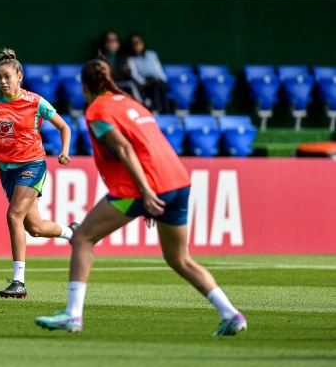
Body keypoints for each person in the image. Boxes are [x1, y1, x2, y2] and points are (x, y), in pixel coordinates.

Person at [34, 59, 247, 336]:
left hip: (144, 186)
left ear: (85, 87)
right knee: (179, 257)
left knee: (83, 237)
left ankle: (73, 315)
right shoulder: (132, 103)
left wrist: (146, 191)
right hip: (178, 181)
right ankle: (230, 314)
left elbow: (123, 149)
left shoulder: (97, 110)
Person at [0, 49, 78, 299]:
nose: (3, 81)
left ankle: (19, 281)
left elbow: (64, 127)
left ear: (20, 76)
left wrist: (64, 151)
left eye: (8, 76)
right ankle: (72, 232)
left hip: (33, 163)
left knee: (13, 215)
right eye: (0, 77)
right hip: (6, 168)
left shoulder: (35, 101)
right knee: (35, 227)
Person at [126, 33, 170, 113]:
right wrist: (145, 82)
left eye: (138, 42)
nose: (136, 46)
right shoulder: (131, 59)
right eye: (133, 44)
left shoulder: (152, 54)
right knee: (156, 85)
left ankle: (162, 111)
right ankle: (157, 109)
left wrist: (162, 80)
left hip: (158, 80)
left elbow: (159, 70)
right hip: (146, 83)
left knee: (158, 84)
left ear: (143, 43)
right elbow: (134, 75)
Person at [95, 31, 142, 103]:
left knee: (132, 83)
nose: (111, 43)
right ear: (105, 43)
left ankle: (141, 105)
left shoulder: (124, 57)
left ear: (118, 44)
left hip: (120, 82)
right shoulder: (100, 58)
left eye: (113, 41)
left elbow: (127, 73)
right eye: (108, 41)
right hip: (106, 84)